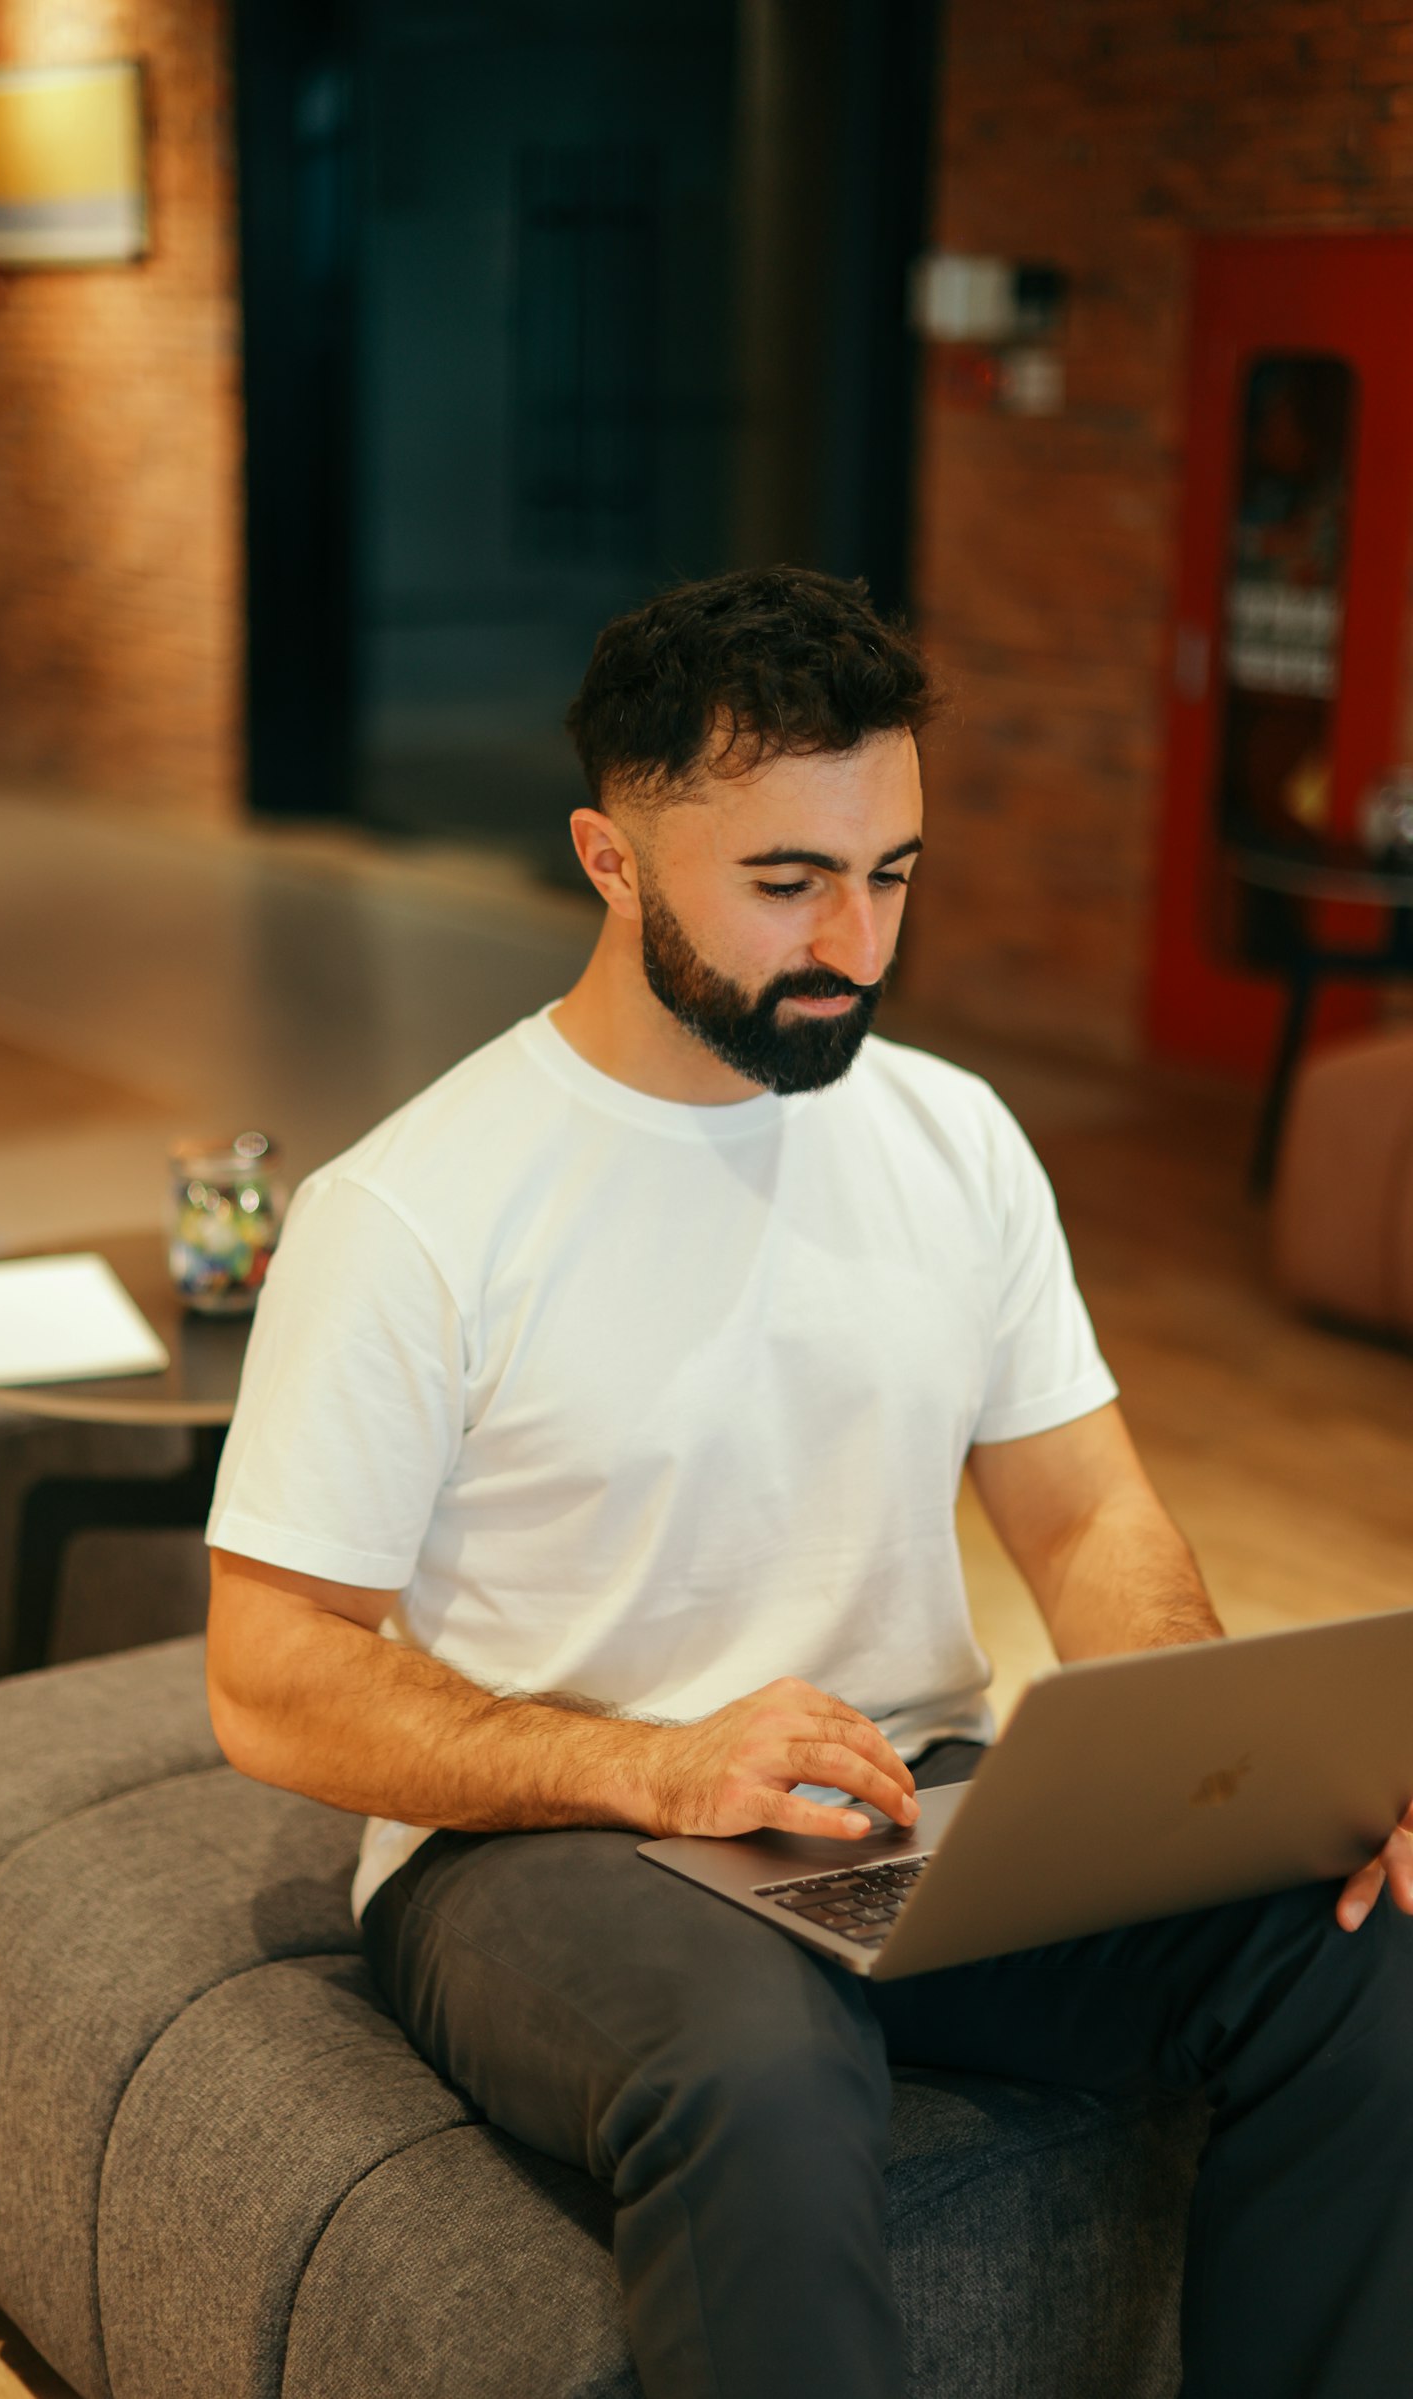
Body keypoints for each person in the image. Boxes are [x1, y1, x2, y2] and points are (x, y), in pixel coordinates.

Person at [204, 566, 1413, 2399]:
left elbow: (1086, 1515)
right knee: (761, 2069)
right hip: (545, 1845)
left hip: (902, 1810)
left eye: (894, 872)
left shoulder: (951, 1137)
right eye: (789, 883)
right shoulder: (411, 1213)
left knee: (1368, 1950)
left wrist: (1221, 1782)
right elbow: (269, 1669)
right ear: (612, 862)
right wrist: (656, 1765)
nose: (856, 936)